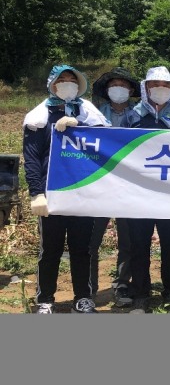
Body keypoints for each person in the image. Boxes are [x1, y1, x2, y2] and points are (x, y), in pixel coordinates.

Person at [23, 64, 110, 313]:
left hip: (82, 191)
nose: (67, 83)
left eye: (72, 79)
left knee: (82, 249)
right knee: (50, 249)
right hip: (53, 193)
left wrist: (79, 123)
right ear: (53, 83)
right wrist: (36, 192)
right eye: (62, 79)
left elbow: (107, 142)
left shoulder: (88, 113)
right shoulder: (38, 117)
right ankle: (45, 299)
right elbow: (32, 157)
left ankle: (83, 297)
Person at [127, 66, 170, 314]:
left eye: (165, 85)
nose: (160, 89)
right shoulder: (133, 117)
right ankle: (141, 293)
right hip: (140, 193)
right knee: (138, 245)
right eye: (155, 85)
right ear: (147, 88)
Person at [88, 67, 141, 307]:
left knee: (128, 240)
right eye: (113, 85)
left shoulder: (138, 115)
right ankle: (88, 288)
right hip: (98, 182)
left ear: (130, 90)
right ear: (107, 90)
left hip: (128, 184)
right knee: (92, 238)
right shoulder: (93, 113)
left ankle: (121, 285)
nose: (118, 89)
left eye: (123, 85)